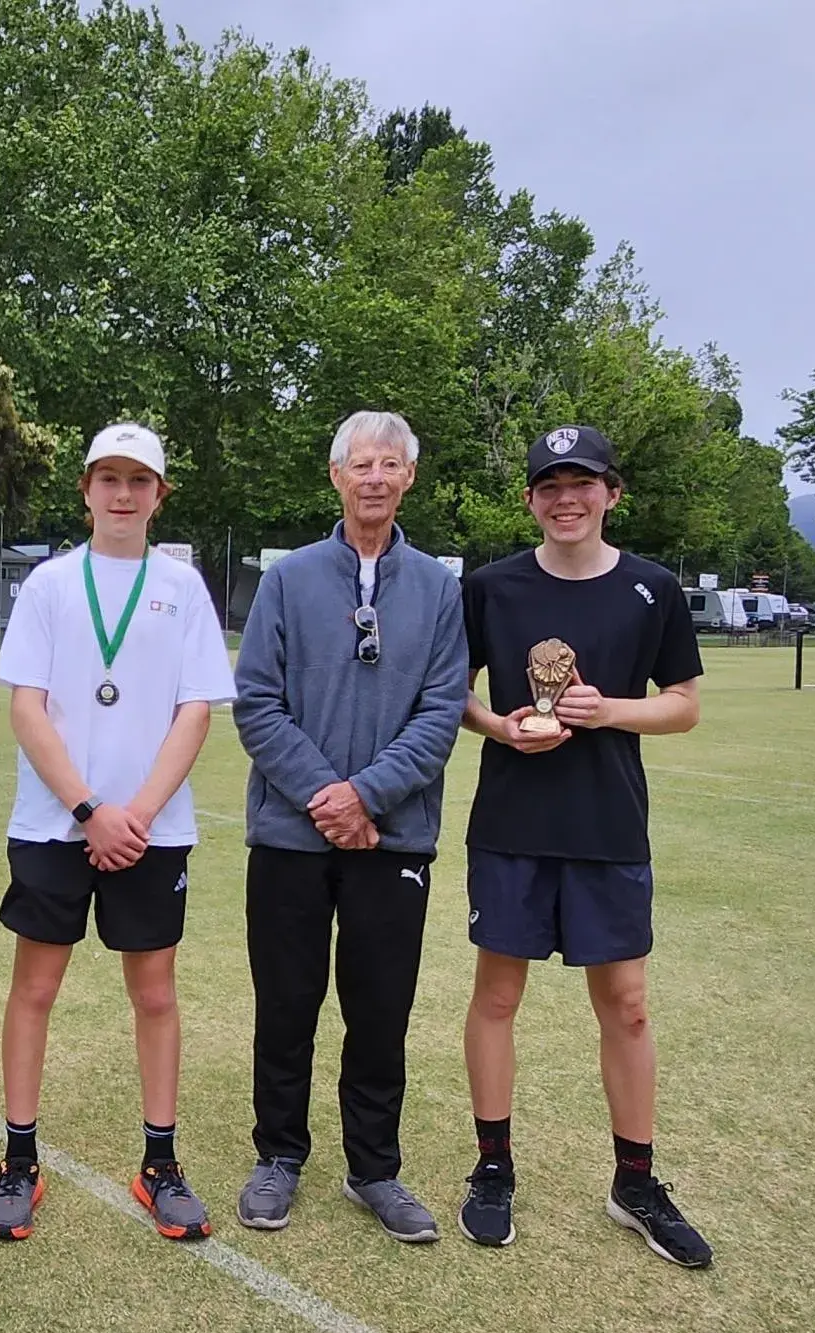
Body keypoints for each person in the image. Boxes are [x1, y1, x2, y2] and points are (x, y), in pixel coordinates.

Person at [455, 425, 711, 1268]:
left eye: (583, 482)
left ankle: (634, 1181)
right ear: (530, 498)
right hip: (512, 825)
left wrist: (610, 712)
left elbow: (682, 703)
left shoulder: (652, 589)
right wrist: (502, 724)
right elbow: (455, 696)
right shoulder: (491, 587)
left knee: (628, 1004)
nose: (567, 498)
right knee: (498, 996)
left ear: (611, 492)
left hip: (607, 824)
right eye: (550, 484)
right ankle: (492, 1168)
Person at [0, 423, 235, 1244]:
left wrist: (139, 814)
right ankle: (18, 1159)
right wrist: (93, 809)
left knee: (154, 994)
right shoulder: (51, 584)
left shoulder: (184, 587)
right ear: (86, 489)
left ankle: (160, 1161)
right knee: (37, 990)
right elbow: (27, 707)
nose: (123, 493)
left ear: (160, 495)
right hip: (58, 823)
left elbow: (195, 710)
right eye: (109, 478)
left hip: (152, 832)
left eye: (139, 480)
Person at [229, 410, 467, 1240]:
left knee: (380, 1010)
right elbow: (256, 702)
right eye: (359, 462)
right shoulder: (289, 579)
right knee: (286, 1003)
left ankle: (374, 1168)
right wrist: (328, 798)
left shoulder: (440, 588)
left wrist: (366, 797)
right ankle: (279, 1156)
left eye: (389, 463)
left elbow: (441, 713)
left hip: (394, 839)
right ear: (336, 476)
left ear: (408, 478)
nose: (374, 476)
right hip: (291, 839)